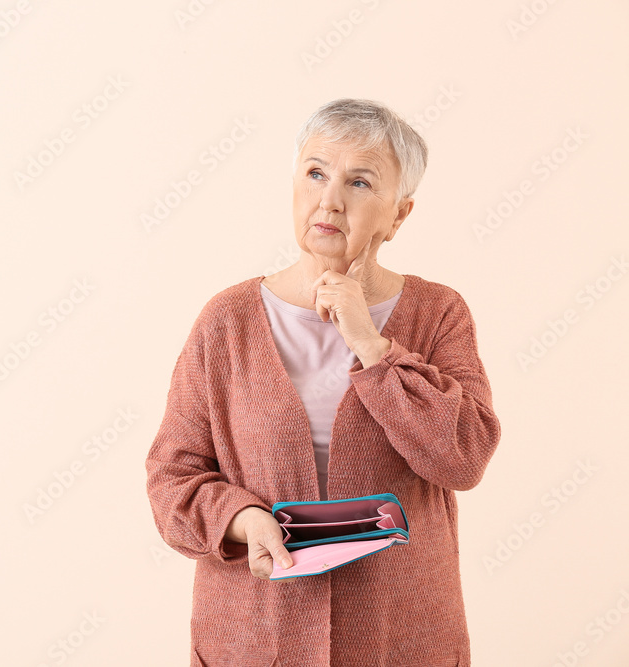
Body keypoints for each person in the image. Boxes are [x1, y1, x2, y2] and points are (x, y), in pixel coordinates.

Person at [145, 98, 502, 666]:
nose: (329, 200)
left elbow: (463, 457)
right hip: (255, 633)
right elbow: (172, 477)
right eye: (315, 173)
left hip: (399, 637)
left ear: (399, 214)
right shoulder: (227, 321)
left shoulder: (439, 314)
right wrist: (239, 519)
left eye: (360, 182)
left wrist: (373, 347)